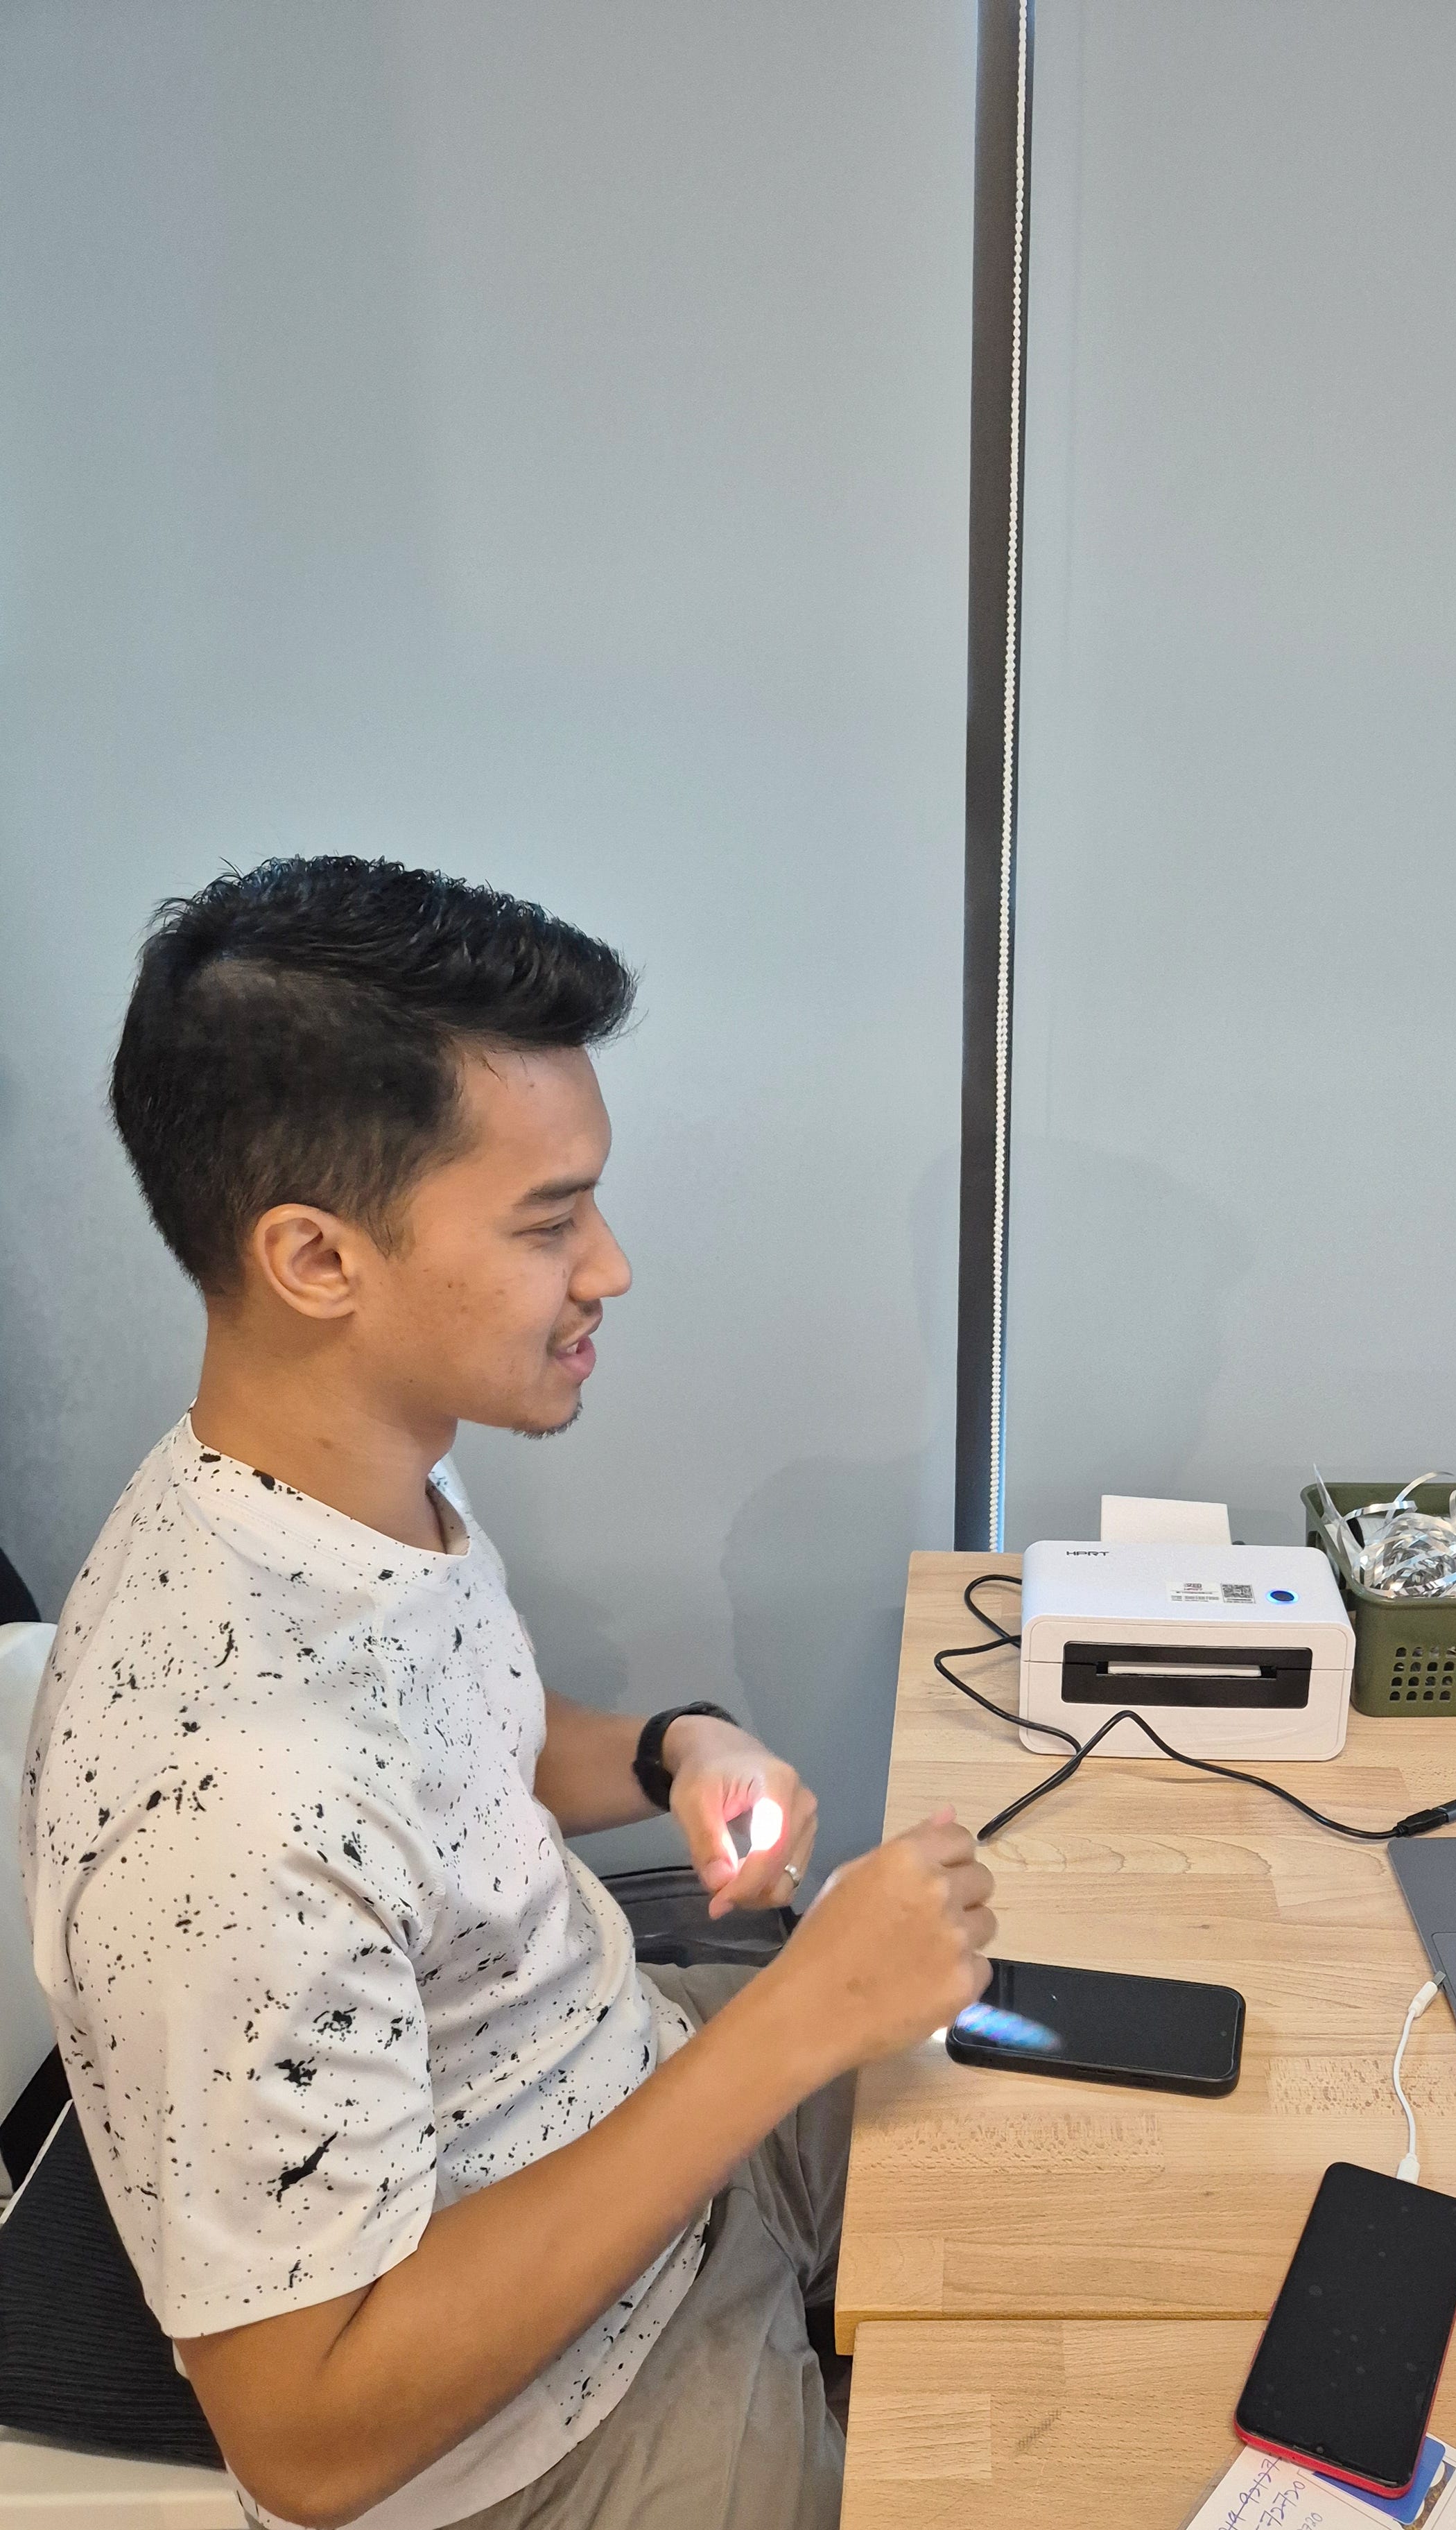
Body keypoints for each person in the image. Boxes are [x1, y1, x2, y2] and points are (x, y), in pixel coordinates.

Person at [19, 858, 994, 2530]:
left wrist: (678, 1751)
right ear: (316, 1257)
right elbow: (306, 2445)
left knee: (1094, 2152)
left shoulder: (345, 1489)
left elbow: (443, 1763)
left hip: (648, 2097)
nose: (610, 1266)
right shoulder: (219, 1807)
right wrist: (799, 2021)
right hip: (554, 2431)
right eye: (550, 1221)